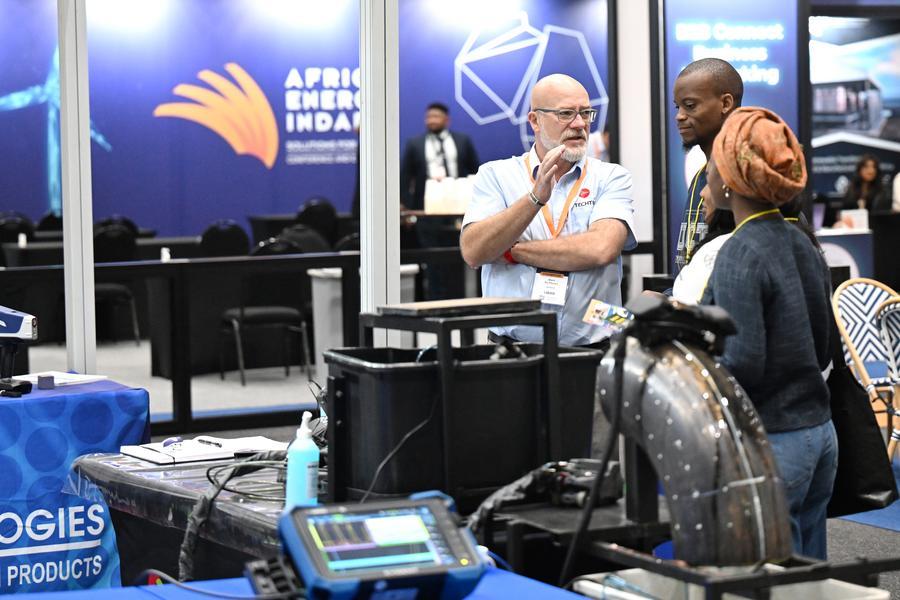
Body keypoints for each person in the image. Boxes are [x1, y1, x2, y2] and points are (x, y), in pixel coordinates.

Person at [700, 107, 836, 559]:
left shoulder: (739, 251)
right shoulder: (802, 240)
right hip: (820, 436)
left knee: (770, 578)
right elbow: (824, 348)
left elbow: (742, 363)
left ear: (730, 179)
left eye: (713, 164)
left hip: (773, 440)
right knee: (812, 575)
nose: (706, 176)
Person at [460, 74, 635, 348]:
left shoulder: (611, 177)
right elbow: (474, 251)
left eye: (585, 113)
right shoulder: (496, 175)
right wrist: (534, 199)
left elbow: (601, 248)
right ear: (535, 121)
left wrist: (511, 250)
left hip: (594, 346)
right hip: (512, 349)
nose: (580, 124)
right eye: (566, 114)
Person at [672, 58, 743, 272]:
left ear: (725, 104)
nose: (679, 116)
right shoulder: (700, 178)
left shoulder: (745, 180)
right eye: (677, 107)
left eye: (690, 106)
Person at [399, 102, 480, 211]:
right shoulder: (415, 143)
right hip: (425, 203)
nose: (432, 121)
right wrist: (408, 203)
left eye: (436, 117)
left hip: (458, 201)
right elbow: (405, 175)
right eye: (428, 117)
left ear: (447, 120)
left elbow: (475, 171)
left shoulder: (462, 141)